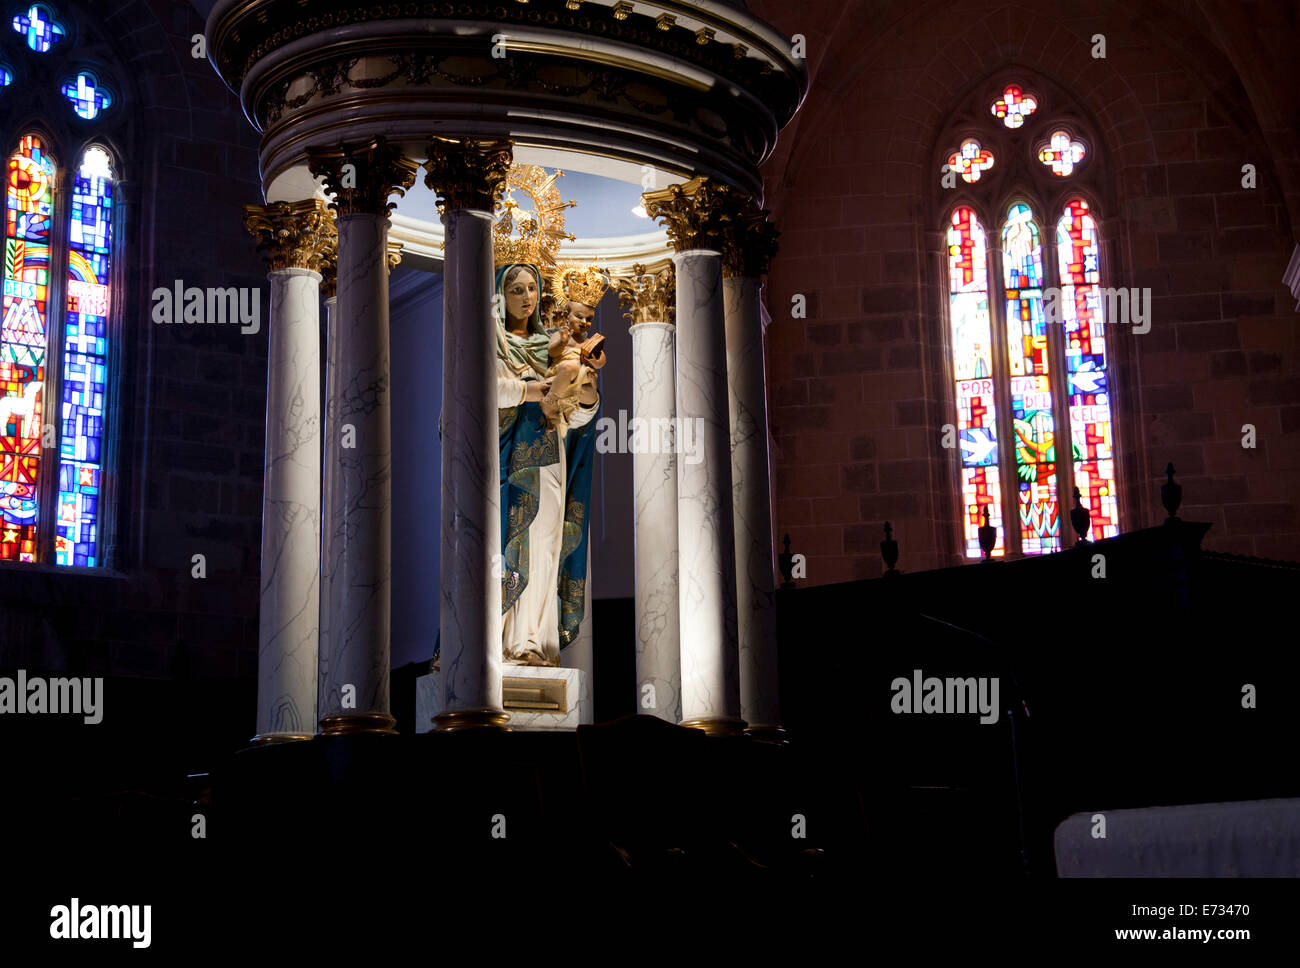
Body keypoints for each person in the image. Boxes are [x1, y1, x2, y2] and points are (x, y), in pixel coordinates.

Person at [495, 263, 600, 666]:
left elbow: (573, 418)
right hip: (507, 462)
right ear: (501, 296)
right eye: (516, 289)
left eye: (532, 289)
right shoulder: (495, 341)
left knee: (544, 547)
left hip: (549, 462)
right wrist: (532, 389)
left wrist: (586, 390)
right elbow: (481, 389)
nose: (526, 297)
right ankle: (498, 639)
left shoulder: (553, 348)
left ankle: (531, 641)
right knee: (506, 545)